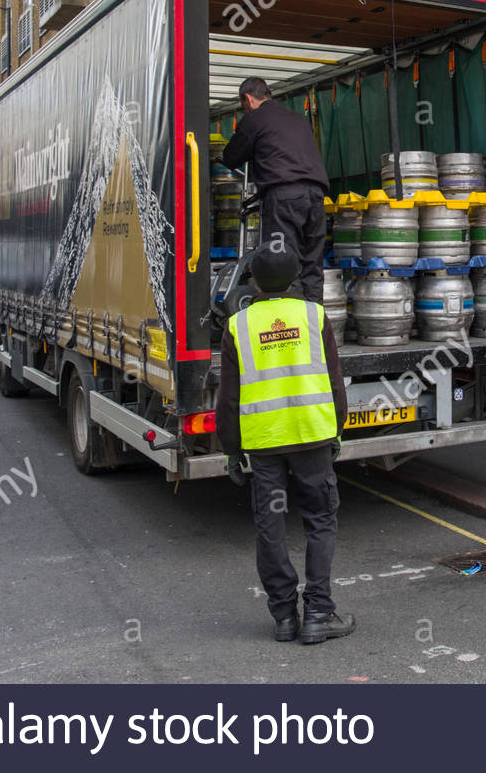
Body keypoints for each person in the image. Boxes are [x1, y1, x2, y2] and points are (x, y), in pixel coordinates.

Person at [216, 246, 354, 644]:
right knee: (320, 519)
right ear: (295, 278)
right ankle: (318, 613)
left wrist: (230, 448)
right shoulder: (314, 315)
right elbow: (333, 377)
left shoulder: (238, 325)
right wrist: (337, 430)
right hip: (312, 434)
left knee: (270, 526)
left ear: (253, 283)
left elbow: (228, 397)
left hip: (264, 442)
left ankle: (284, 618)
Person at [222, 77, 330, 303]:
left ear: (248, 99)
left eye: (243, 106)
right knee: (312, 265)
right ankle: (316, 328)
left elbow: (231, 157)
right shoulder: (297, 118)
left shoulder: (254, 119)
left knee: (284, 264)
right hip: (316, 195)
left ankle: (292, 330)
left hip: (284, 196)